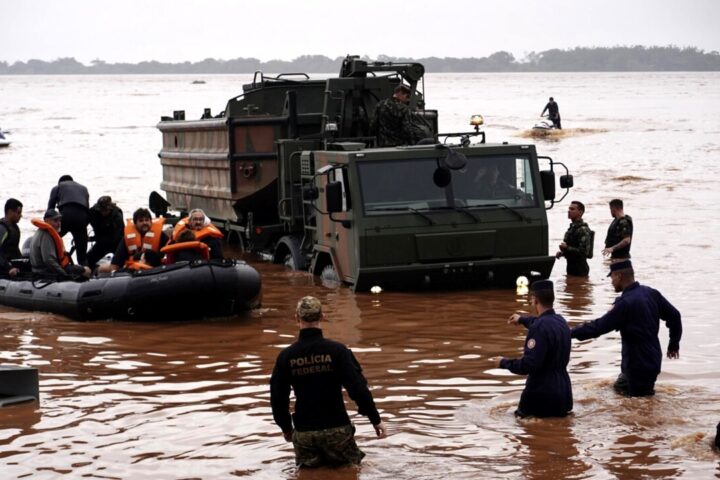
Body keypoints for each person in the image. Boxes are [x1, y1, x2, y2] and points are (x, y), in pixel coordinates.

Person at [270, 296, 386, 468]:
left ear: (297, 318)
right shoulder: (338, 351)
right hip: (337, 430)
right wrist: (375, 419)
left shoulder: (286, 356)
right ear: (322, 316)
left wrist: (286, 428)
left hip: (304, 433)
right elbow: (358, 389)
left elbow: (278, 398)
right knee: (350, 472)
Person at [571, 260, 682, 397]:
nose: (611, 282)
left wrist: (569, 332)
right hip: (652, 358)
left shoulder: (624, 304)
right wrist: (674, 343)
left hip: (637, 364)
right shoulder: (651, 293)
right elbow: (675, 316)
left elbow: (598, 327)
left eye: (611, 278)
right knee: (624, 391)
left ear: (618, 276)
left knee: (638, 408)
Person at [499, 280, 573, 418]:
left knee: (525, 433)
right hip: (564, 392)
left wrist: (503, 363)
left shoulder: (538, 328)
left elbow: (529, 364)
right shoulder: (561, 321)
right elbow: (541, 323)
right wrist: (521, 319)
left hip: (541, 394)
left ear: (535, 300)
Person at [97, 208, 168, 273]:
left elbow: (170, 251)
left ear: (151, 222)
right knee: (102, 268)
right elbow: (116, 263)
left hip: (155, 269)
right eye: (141, 221)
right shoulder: (127, 238)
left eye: (147, 220)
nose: (145, 223)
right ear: (135, 224)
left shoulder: (160, 236)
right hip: (132, 271)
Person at [28, 209, 91, 278]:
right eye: (55, 220)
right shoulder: (46, 235)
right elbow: (49, 261)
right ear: (46, 221)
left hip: (45, 269)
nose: (59, 223)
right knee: (86, 270)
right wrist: (64, 275)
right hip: (45, 271)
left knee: (79, 267)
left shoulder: (42, 232)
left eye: (59, 220)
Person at [47, 175, 90, 266]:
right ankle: (86, 273)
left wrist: (47, 228)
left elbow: (50, 210)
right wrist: (80, 232)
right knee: (82, 256)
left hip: (66, 215)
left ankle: (53, 264)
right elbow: (87, 211)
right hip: (82, 219)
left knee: (51, 239)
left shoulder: (58, 187)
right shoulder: (84, 188)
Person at [556, 201, 592, 277]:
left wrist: (567, 248)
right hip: (571, 267)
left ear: (580, 212)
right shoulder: (572, 228)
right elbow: (573, 248)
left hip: (580, 269)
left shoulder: (583, 229)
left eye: (572, 209)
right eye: (569, 209)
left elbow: (584, 252)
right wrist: (562, 253)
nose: (569, 211)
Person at [87, 196, 124, 267]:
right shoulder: (93, 212)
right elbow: (83, 222)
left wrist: (92, 239)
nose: (103, 212)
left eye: (105, 210)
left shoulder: (117, 217)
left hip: (116, 244)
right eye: (101, 210)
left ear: (110, 208)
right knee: (88, 260)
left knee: (122, 262)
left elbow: (114, 238)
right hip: (101, 243)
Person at [0, 198, 24, 277]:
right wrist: (9, 268)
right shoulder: (2, 229)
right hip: (4, 268)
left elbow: (15, 249)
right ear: (10, 212)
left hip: (12, 265)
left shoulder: (15, 227)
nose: (21, 215)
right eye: (18, 212)